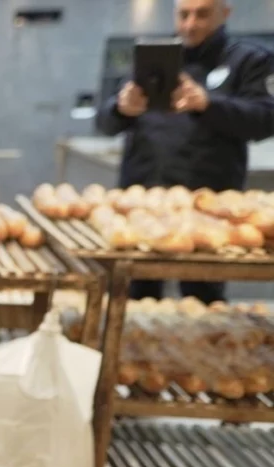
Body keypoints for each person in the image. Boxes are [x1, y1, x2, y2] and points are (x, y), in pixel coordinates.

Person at [97, 0, 274, 304]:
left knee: (203, 300)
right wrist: (120, 109)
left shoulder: (249, 59)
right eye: (184, 15)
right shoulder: (152, 57)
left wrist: (209, 104)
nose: (190, 24)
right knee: (134, 298)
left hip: (209, 206)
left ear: (225, 13)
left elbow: (266, 119)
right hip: (143, 202)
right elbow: (104, 122)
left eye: (202, 14)